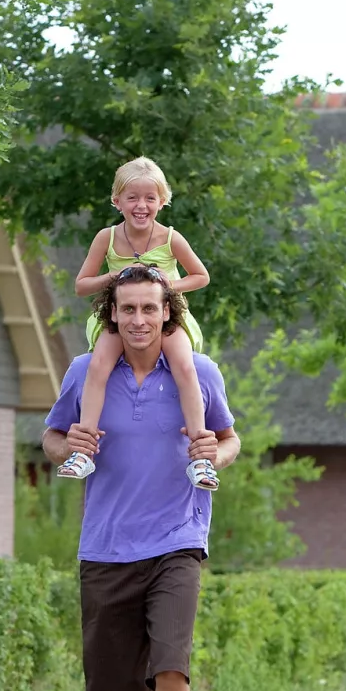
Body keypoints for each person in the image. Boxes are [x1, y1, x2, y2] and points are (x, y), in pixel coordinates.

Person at [42, 264, 239, 691]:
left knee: (171, 667)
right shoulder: (86, 372)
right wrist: (68, 444)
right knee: (129, 687)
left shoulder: (198, 373)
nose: (138, 320)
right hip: (106, 545)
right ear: (111, 315)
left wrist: (216, 454)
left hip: (178, 538)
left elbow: (229, 439)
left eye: (149, 309)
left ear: (167, 312)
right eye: (127, 309)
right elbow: (51, 436)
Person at [61, 156, 217, 490]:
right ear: (117, 201)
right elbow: (81, 285)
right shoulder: (108, 237)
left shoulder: (171, 238)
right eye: (132, 198)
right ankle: (84, 450)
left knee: (185, 366)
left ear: (162, 201)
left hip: (166, 315)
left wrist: (165, 286)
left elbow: (200, 276)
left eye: (149, 198)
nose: (141, 205)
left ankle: (200, 455)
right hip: (120, 315)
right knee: (98, 363)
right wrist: (113, 276)